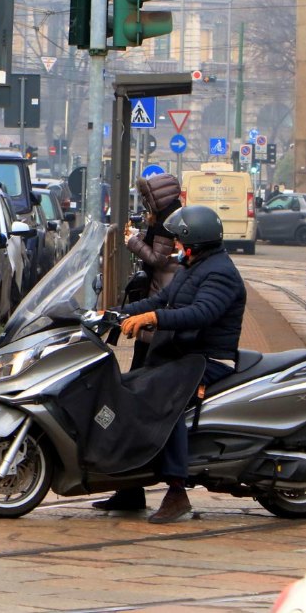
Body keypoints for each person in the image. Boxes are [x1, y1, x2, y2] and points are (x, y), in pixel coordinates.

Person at [93, 205, 246, 524]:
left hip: (207, 360)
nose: (175, 245)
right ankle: (131, 487)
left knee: (164, 402)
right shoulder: (193, 266)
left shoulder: (221, 273)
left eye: (178, 239)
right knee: (127, 391)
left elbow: (201, 313)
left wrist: (154, 319)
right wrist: (114, 315)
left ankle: (177, 492)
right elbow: (161, 301)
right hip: (182, 356)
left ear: (195, 241)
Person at [123, 173, 182, 369]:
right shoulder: (171, 215)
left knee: (147, 345)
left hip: (161, 285)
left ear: (157, 197)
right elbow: (155, 243)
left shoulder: (166, 223)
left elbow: (158, 258)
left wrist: (132, 242)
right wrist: (138, 236)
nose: (145, 202)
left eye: (147, 197)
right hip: (163, 283)